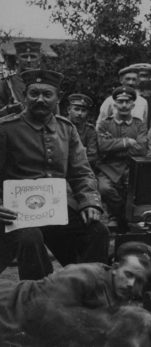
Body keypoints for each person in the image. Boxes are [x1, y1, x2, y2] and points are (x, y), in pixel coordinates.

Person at [0, 69, 109, 280]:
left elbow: (81, 172)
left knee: (98, 231)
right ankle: (39, 294)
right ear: (25, 96)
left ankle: (87, 288)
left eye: (47, 94)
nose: (40, 99)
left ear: (57, 98)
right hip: (19, 214)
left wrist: (89, 202)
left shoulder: (66, 129)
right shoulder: (6, 129)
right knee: (30, 238)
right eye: (34, 94)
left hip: (58, 210)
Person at [0, 242, 151, 346]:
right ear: (116, 268)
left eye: (139, 280)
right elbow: (47, 315)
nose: (131, 284)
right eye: (128, 274)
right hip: (7, 305)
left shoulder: (119, 298)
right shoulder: (85, 275)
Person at [96, 86, 148, 230]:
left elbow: (142, 149)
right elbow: (101, 147)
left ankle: (122, 219)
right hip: (109, 167)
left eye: (127, 102)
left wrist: (113, 145)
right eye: (120, 102)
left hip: (132, 166)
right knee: (104, 188)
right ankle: (122, 217)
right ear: (114, 104)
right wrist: (127, 142)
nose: (124, 105)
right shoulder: (105, 124)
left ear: (133, 105)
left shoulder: (139, 124)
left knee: (135, 191)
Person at [66, 93, 98, 166]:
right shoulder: (60, 126)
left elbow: (92, 156)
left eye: (83, 110)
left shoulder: (90, 130)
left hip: (81, 168)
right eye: (76, 109)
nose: (80, 113)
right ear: (69, 110)